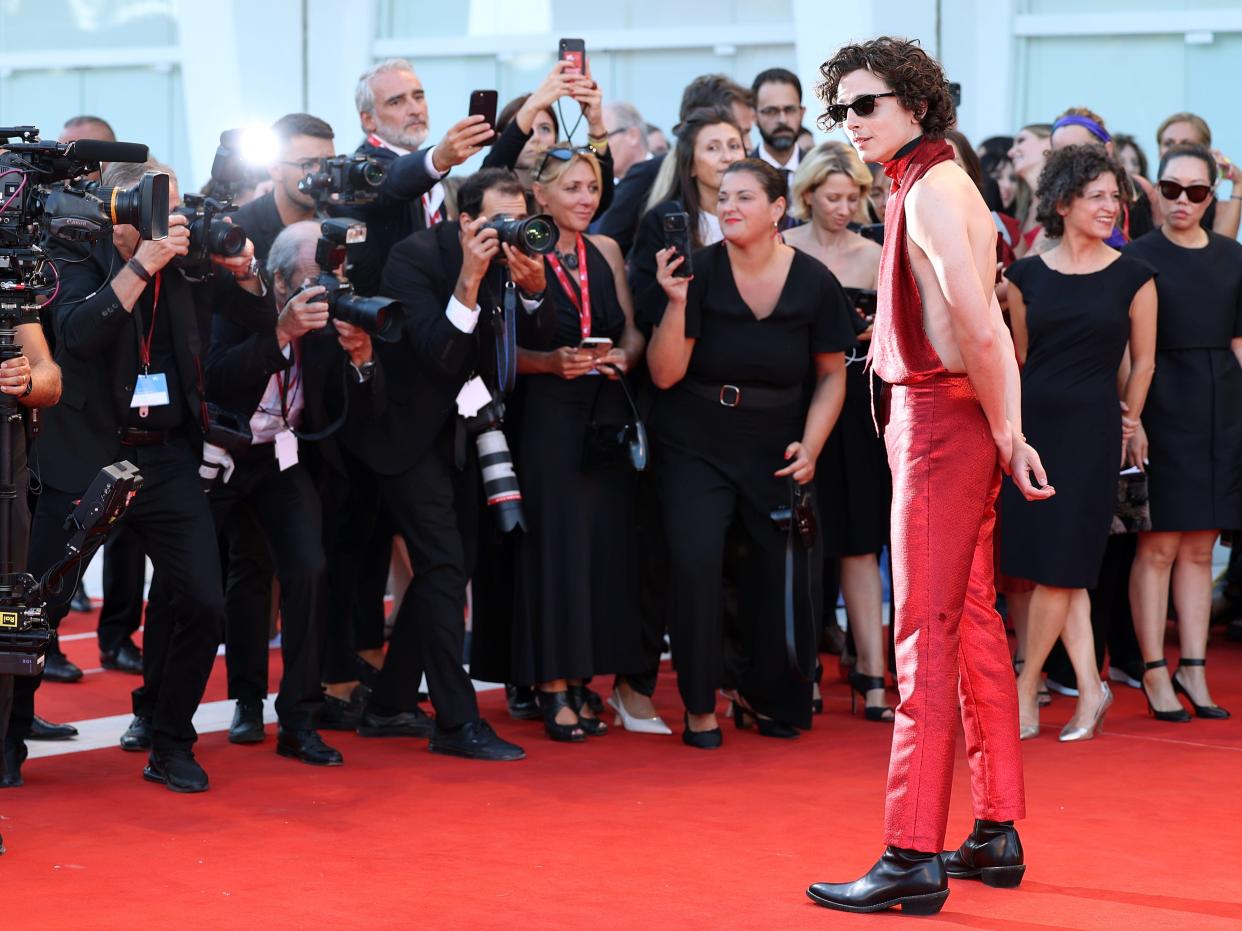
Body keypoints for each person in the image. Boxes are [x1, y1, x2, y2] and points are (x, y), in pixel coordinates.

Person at [806, 37, 1052, 914]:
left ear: (916, 103)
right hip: (944, 418)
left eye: (866, 104)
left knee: (926, 631)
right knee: (973, 621)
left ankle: (911, 849)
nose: (852, 123)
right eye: (840, 110)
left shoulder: (938, 189)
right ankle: (996, 826)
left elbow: (982, 329)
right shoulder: (927, 181)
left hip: (942, 422)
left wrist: (1007, 429)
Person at [15, 160, 260, 794]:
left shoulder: (187, 260)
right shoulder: (70, 253)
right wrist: (141, 265)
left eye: (177, 204)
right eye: (159, 203)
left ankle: (170, 738)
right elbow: (76, 335)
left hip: (166, 455)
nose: (173, 217)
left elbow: (259, 318)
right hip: (85, 455)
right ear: (119, 206)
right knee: (36, 607)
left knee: (205, 602)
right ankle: (9, 733)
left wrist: (247, 270)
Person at [646, 158, 852, 747]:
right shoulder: (697, 273)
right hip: (695, 439)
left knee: (778, 574)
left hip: (780, 442)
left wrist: (811, 446)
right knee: (695, 564)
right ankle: (698, 704)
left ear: (778, 209)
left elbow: (833, 376)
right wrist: (676, 302)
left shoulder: (814, 281)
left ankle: (769, 695)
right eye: (722, 196)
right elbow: (664, 376)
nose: (728, 206)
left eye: (744, 197)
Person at [360, 168, 553, 762]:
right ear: (465, 219)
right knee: (445, 567)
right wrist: (470, 277)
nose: (511, 231)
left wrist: (535, 289)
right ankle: (455, 718)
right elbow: (440, 356)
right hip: (406, 435)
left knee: (453, 566)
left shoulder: (515, 255)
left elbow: (538, 334)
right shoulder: (414, 258)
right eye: (499, 221)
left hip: (470, 432)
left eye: (519, 218)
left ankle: (391, 702)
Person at [1001, 145, 1157, 743]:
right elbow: (1016, 360)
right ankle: (1091, 691)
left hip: (1094, 433)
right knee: (1053, 566)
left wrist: (1130, 420)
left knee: (1062, 566)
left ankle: (1026, 685)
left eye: (1115, 197)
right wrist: (1010, 433)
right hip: (1033, 431)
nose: (1110, 206)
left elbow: (1142, 363)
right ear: (1062, 203)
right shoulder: (1024, 276)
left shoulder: (1134, 275)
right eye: (1097, 196)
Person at [510, 146, 646, 741]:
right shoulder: (522, 249)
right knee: (554, 549)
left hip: (603, 412)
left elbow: (634, 329)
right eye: (572, 188)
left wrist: (623, 355)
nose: (586, 199)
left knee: (597, 548)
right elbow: (494, 349)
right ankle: (549, 684)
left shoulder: (608, 249)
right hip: (544, 414)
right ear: (541, 195)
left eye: (592, 187)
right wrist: (547, 364)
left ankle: (582, 678)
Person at [1125, 143, 1242, 722]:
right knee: (1159, 545)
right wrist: (1132, 419)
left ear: (1212, 195)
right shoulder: (1137, 257)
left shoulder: (1232, 256)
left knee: (1199, 547)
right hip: (1161, 404)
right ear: (1157, 190)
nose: (1182, 202)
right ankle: (1153, 669)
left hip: (1221, 406)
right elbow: (1127, 350)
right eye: (1171, 189)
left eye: (1197, 192)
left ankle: (1193, 666)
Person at [783, 142, 891, 723]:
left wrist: (881, 334)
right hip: (797, 401)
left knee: (859, 542)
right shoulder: (785, 250)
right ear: (808, 196)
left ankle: (873, 676)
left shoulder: (875, 255)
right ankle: (804, 673)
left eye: (854, 197)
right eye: (834, 197)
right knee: (804, 542)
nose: (846, 207)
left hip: (860, 406)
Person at [346, 58, 496, 295]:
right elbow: (392, 180)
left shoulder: (421, 169)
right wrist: (437, 158)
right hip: (389, 321)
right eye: (396, 102)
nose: (415, 109)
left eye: (418, 96)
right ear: (368, 120)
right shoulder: (361, 169)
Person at [0, 240, 63, 791]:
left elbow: (49, 378)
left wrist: (25, 382)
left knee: (7, 620)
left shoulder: (10, 287)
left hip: (8, 481)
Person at [593, 74, 754, 255]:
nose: (748, 145)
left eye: (735, 142)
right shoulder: (650, 178)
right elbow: (607, 245)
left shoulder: (757, 201)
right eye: (742, 131)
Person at [628, 108, 746, 301]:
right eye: (713, 148)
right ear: (690, 165)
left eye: (734, 146)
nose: (728, 157)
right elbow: (645, 304)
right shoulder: (663, 221)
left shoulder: (760, 215)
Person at [1048, 108, 1154, 245]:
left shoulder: (1136, 192)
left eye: (1079, 151)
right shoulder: (1052, 198)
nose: (1070, 162)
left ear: (1107, 150)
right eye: (1060, 154)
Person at [1155, 112, 1241, 238]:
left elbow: (1224, 253)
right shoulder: (1144, 195)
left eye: (1186, 144)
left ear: (1205, 151)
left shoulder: (1219, 208)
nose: (1175, 150)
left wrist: (1238, 183)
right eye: (1168, 143)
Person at [751, 67, 806, 207]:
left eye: (789, 110)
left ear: (801, 113)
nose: (782, 120)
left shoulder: (820, 170)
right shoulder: (740, 175)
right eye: (771, 111)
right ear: (754, 117)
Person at [1006, 123, 1051, 256]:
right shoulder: (1023, 205)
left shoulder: (1064, 200)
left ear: (1050, 141)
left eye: (1021, 140)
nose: (1010, 152)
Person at [602, 100, 651, 182]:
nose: (594, 149)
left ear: (633, 135)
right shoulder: (602, 189)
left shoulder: (666, 179)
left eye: (601, 138)